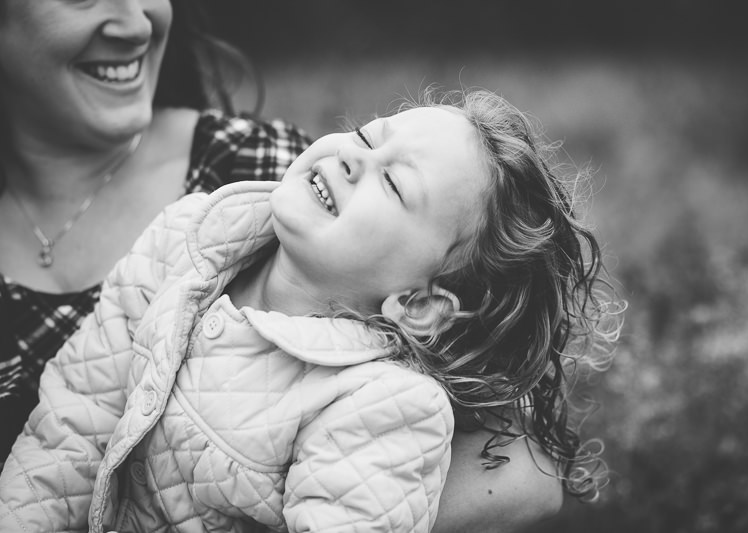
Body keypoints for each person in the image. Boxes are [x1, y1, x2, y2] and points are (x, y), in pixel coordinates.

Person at [0, 1, 575, 531]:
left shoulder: (381, 403)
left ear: (419, 304)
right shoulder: (186, 240)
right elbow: (70, 427)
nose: (353, 156)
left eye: (394, 182)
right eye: (364, 137)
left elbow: (522, 474)